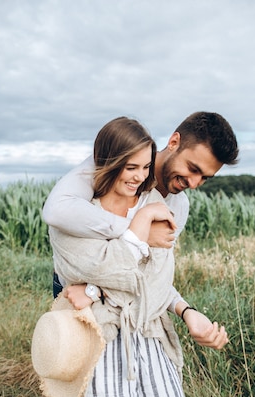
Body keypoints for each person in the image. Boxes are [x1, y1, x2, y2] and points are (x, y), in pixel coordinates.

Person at [43, 111, 239, 350]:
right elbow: (55, 211)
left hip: (118, 301)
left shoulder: (178, 205)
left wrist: (186, 311)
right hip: (75, 288)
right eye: (192, 168)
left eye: (205, 178)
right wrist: (138, 229)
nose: (194, 183)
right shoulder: (111, 167)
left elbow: (153, 272)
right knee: (72, 366)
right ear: (174, 142)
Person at [48, 116, 201, 397]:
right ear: (107, 163)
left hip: (146, 329)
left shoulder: (161, 207)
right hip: (96, 330)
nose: (140, 177)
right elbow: (99, 267)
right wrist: (140, 224)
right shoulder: (76, 213)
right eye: (131, 167)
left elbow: (154, 279)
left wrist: (95, 291)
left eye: (145, 168)